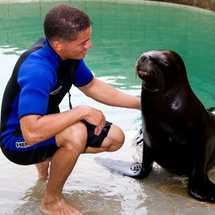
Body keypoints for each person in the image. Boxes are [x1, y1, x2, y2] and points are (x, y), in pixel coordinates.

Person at [0, 3, 140, 215]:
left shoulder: (69, 56)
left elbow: (92, 86)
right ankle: (51, 202)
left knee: (115, 137)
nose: (89, 46)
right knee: (76, 133)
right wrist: (81, 111)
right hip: (16, 140)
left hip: (46, 126)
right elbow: (31, 133)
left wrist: (142, 105)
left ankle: (45, 159)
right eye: (83, 42)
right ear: (58, 45)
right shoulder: (37, 69)